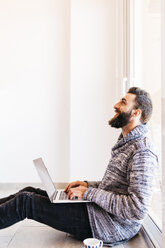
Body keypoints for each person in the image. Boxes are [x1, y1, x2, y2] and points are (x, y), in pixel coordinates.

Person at [0, 87, 158, 247]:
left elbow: (137, 208)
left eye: (123, 102)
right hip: (100, 213)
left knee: (25, 202)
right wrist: (87, 185)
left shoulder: (142, 151)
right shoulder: (127, 142)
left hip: (109, 225)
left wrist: (89, 193)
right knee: (28, 191)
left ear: (136, 113)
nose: (116, 105)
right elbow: (115, 188)